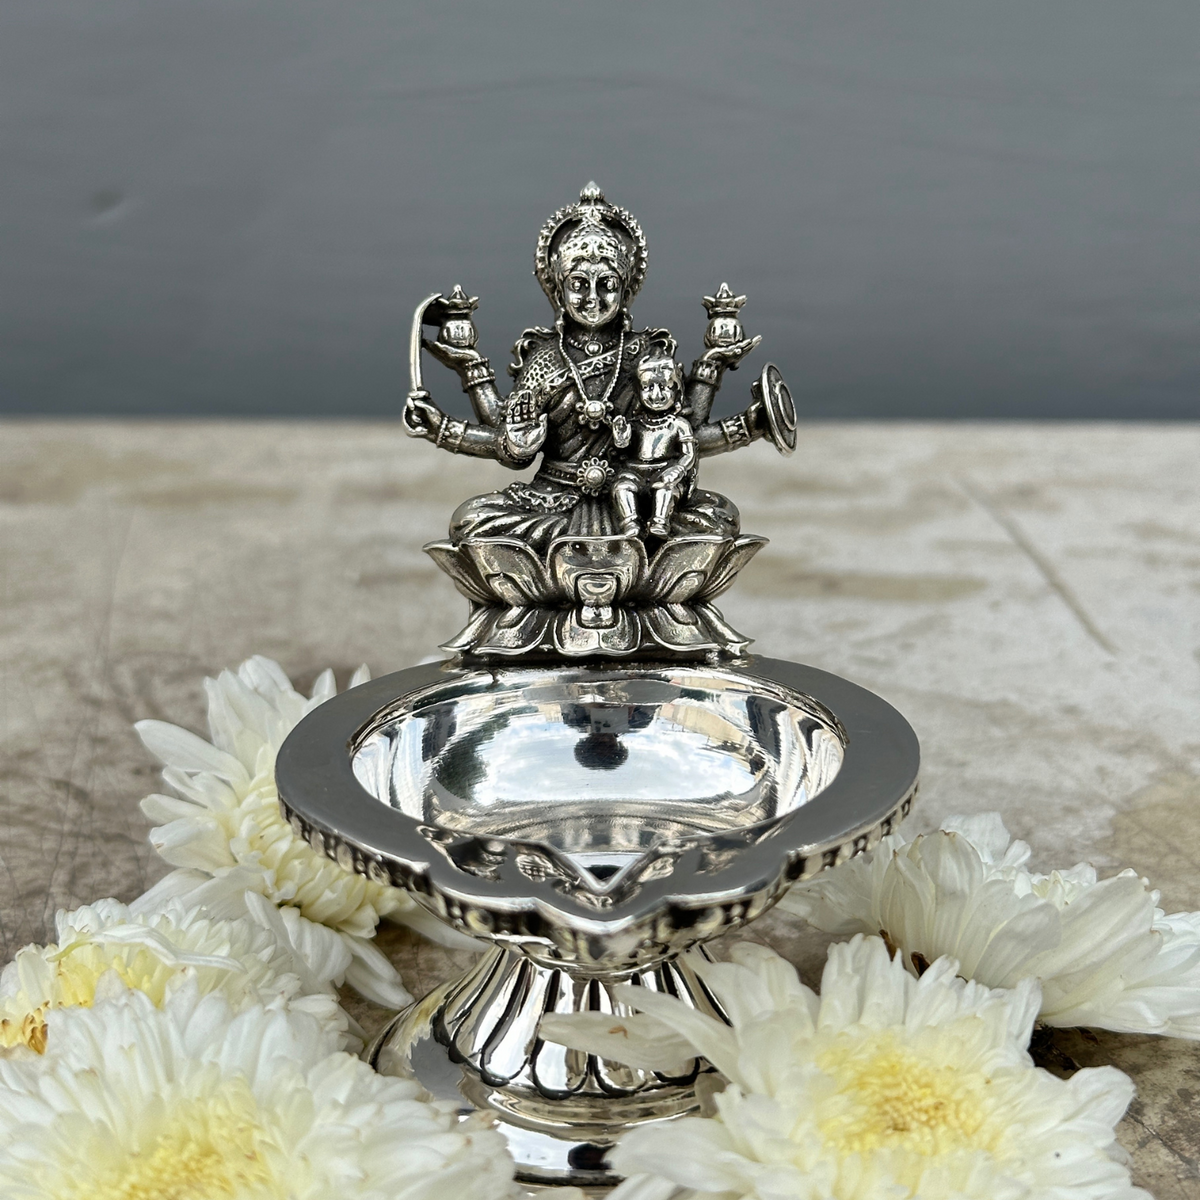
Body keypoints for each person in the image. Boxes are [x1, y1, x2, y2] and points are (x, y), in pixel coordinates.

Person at [402, 183, 770, 553]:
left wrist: (735, 400)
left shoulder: (645, 353)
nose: (593, 298)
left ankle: (609, 559)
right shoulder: (544, 356)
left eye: (606, 284)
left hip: (637, 498)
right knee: (472, 521)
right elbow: (506, 436)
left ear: (625, 290)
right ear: (559, 289)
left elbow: (684, 431)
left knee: (716, 518)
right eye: (579, 284)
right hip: (552, 499)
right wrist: (445, 424)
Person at [610, 352, 696, 538]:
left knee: (665, 489)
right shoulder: (634, 424)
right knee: (622, 487)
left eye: (664, 387)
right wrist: (621, 439)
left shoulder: (679, 424)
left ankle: (660, 523)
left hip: (665, 472)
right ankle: (630, 523)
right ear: (638, 392)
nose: (656, 394)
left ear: (677, 390)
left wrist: (678, 470)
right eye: (648, 387)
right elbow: (621, 452)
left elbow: (689, 454)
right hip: (634, 472)